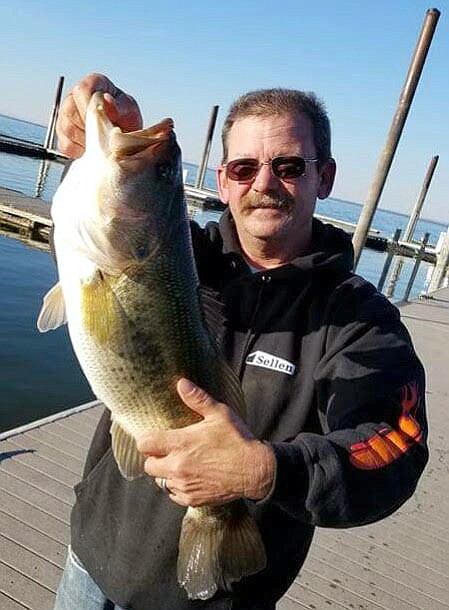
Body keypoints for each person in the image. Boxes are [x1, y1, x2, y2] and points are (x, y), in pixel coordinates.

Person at [53, 74, 428, 610]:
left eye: (290, 166)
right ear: (223, 182)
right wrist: (95, 139)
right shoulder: (179, 257)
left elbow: (396, 448)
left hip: (224, 599)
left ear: (325, 177)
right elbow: (94, 240)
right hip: (92, 561)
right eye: (244, 167)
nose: (265, 183)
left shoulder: (362, 322)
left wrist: (264, 469)